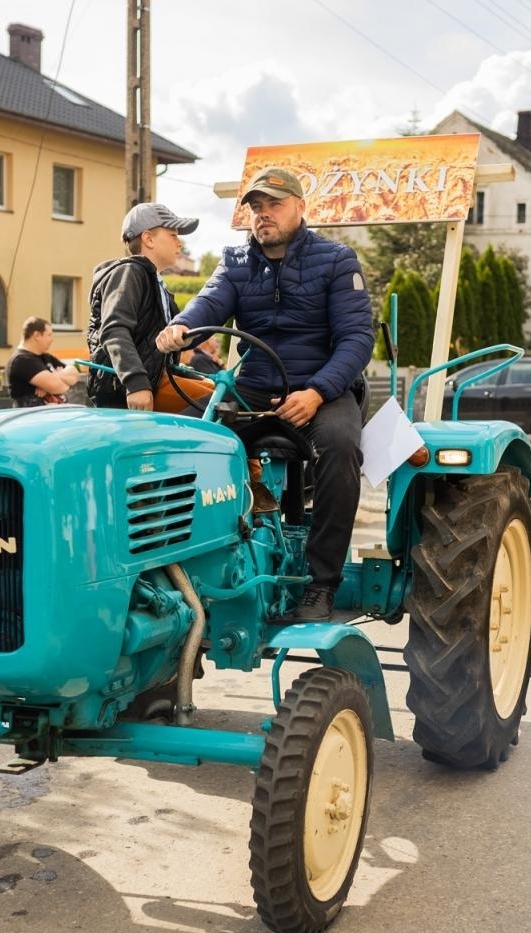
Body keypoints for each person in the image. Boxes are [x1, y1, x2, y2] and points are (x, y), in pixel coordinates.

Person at [156, 166, 374, 621]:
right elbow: (208, 303)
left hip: (323, 389)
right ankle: (191, 570)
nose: (263, 214)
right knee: (187, 442)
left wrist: (317, 392)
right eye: (256, 207)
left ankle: (321, 582)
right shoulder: (236, 262)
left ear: (300, 207)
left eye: (274, 204)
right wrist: (181, 327)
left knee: (339, 448)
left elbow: (357, 341)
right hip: (255, 388)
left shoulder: (336, 260)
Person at [87, 202, 213, 414]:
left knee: (223, 391)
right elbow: (114, 330)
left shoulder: (158, 285)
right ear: (148, 239)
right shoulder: (129, 273)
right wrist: (136, 383)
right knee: (224, 406)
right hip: (131, 386)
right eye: (173, 235)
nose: (179, 243)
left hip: (157, 379)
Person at [6, 316, 78, 407]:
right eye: (49, 335)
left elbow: (74, 373)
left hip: (55, 416)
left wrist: (55, 377)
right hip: (34, 418)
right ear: (37, 335)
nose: (52, 340)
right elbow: (57, 386)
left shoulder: (45, 357)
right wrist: (61, 381)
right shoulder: (21, 360)